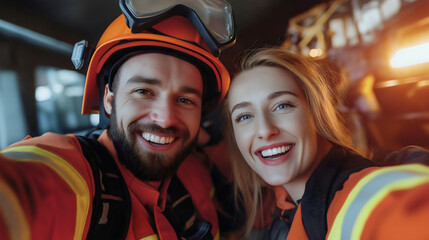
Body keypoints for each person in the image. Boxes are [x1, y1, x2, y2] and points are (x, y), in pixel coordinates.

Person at [0, 0, 239, 239]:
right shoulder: (72, 176)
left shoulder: (197, 169)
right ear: (109, 100)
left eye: (185, 100)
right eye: (143, 91)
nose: (165, 119)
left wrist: (212, 143)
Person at [223, 46, 429, 239]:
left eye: (282, 105)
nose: (265, 130)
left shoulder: (371, 199)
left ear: (317, 112)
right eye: (244, 116)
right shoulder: (284, 208)